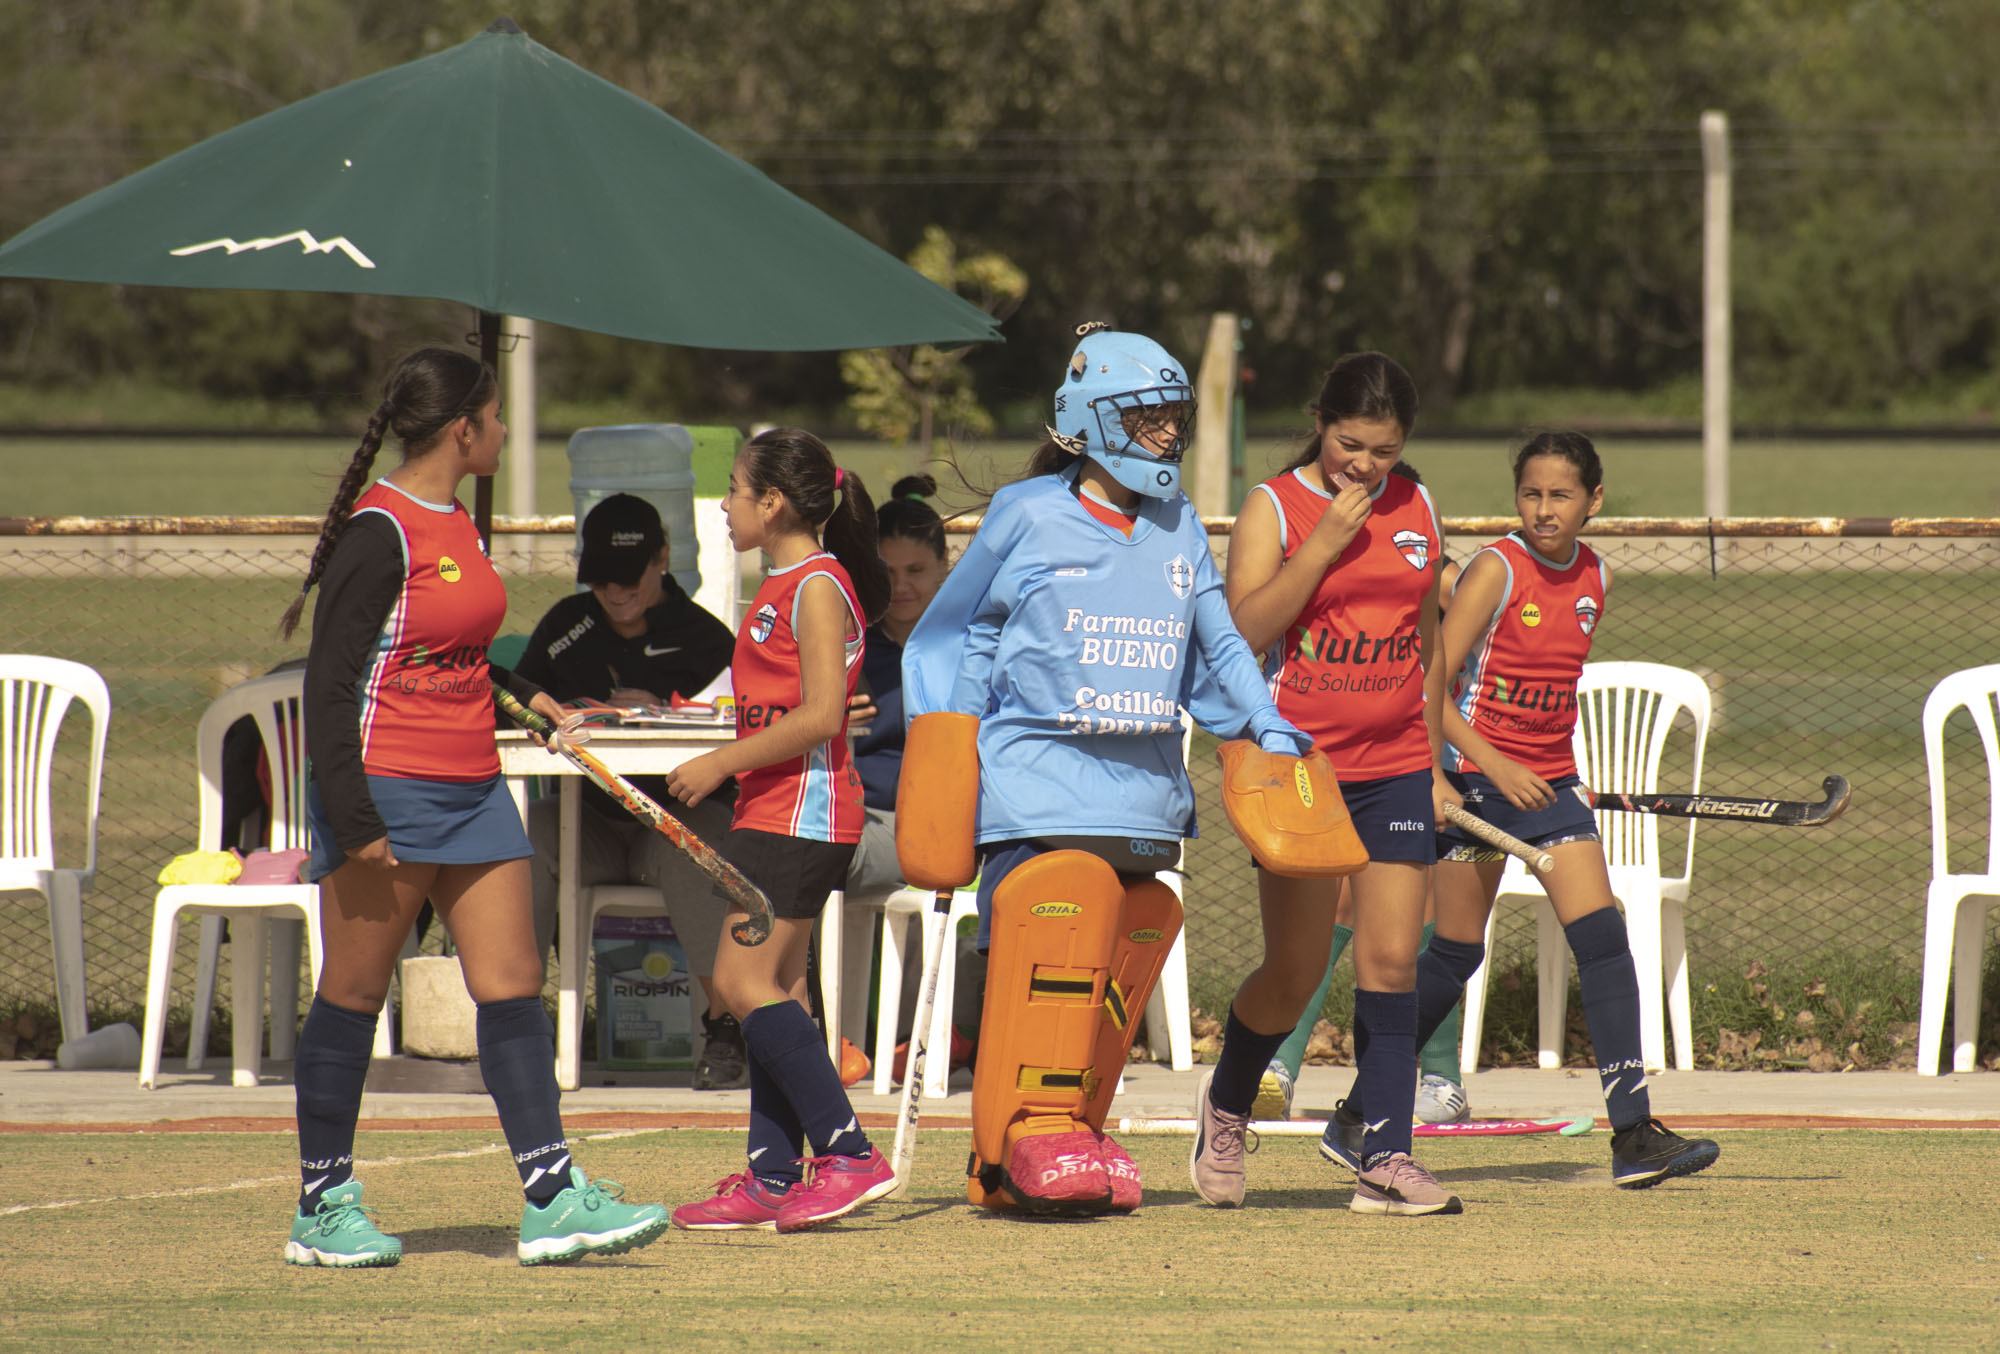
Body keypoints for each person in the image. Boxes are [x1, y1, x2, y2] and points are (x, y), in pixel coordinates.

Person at [899, 324, 1312, 1217]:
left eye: (1173, 417)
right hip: (1035, 790)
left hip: (1142, 800)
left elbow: (1219, 645)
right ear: (1087, 419)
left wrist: (1265, 722)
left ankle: (1060, 1136)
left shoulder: (1177, 525)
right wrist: (946, 743)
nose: (1166, 434)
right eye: (1145, 417)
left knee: (1125, 953)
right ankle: (1025, 1133)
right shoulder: (1027, 513)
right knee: (1054, 939)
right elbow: (957, 634)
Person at [278, 346, 668, 1267]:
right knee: (353, 993)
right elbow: (330, 687)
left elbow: (449, 652)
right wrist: (356, 822)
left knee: (513, 982)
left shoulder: (456, 520)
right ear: (464, 429)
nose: (503, 431)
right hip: (387, 789)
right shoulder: (380, 532)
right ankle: (321, 1207)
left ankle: (552, 1196)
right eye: (494, 418)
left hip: (475, 788)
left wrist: (529, 696)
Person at [1197, 352, 1463, 1216]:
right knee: (1294, 972)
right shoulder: (1273, 506)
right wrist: (1320, 546)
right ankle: (1226, 1106)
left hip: (1395, 765)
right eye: (1351, 445)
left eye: (1385, 450)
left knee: (1392, 961)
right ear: (1319, 423)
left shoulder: (1417, 505)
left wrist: (1433, 762)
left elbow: (1426, 646)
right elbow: (1241, 633)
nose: (1365, 466)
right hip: (1301, 769)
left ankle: (1386, 1157)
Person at [1428, 431, 1720, 1186]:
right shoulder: (1496, 570)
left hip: (1553, 789)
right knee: (1456, 953)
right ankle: (1363, 1109)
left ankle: (1634, 1134)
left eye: (1561, 495)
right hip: (1478, 786)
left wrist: (1545, 769)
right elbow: (1430, 684)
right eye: (1530, 494)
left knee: (1604, 939)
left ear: (1594, 500)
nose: (1544, 509)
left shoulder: (1597, 575)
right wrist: (1479, 767)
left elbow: (1549, 687)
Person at [663, 427, 899, 1233]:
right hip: (775, 812)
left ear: (771, 503)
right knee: (780, 991)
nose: (725, 506)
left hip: (802, 815)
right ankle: (772, 1174)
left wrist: (720, 761)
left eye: (734, 491)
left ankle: (850, 1153)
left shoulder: (817, 585)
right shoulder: (785, 583)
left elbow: (824, 714)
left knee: (742, 984)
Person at [1255, 461, 1474, 1126]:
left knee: (1440, 932)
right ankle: (1279, 1067)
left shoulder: (1441, 565)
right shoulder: (1307, 538)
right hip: (1361, 764)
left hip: (1453, 770)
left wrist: (1448, 770)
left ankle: (1439, 1077)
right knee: (1350, 907)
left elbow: (1441, 652)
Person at [513, 492, 749, 1091]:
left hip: (669, 820)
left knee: (701, 842)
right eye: (601, 581)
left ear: (662, 559)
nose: (615, 593)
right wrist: (558, 714)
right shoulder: (566, 625)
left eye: (628, 578)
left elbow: (739, 726)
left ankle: (724, 1027)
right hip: (585, 821)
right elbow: (517, 703)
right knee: (528, 832)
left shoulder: (705, 639)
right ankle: (516, 1021)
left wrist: (665, 711)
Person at [837, 474, 979, 1078]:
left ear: (945, 566)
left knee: (811, 859)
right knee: (801, 851)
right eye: (886, 572)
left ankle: (933, 1034)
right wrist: (826, 721)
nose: (900, 586)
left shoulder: (969, 645)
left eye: (916, 570)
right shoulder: (845, 647)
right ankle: (828, 1029)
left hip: (950, 823)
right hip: (864, 818)